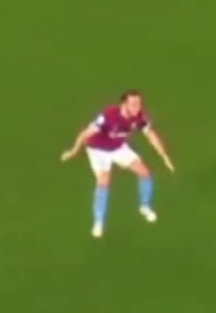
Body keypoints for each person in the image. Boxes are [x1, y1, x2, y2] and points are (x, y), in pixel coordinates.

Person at [61, 92, 174, 238]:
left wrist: (164, 156)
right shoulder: (109, 115)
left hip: (118, 147)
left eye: (139, 104)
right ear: (124, 104)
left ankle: (145, 206)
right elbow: (85, 134)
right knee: (104, 182)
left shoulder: (139, 116)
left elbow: (151, 135)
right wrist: (73, 151)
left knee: (145, 172)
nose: (137, 107)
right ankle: (99, 222)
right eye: (133, 104)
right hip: (98, 150)